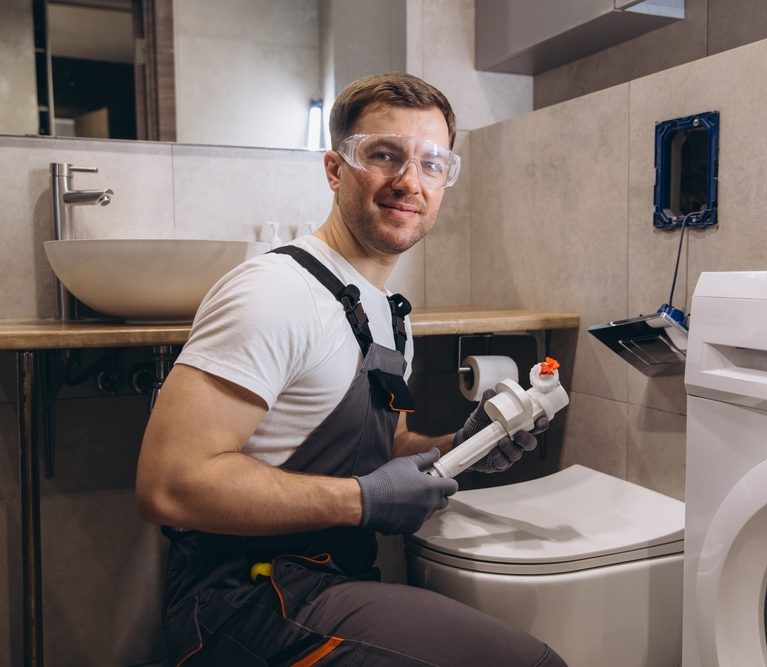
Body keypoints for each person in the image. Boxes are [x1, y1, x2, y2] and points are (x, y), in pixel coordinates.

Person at [136, 72, 567, 667]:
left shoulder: (386, 312)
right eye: (384, 155)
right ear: (336, 169)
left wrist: (457, 447)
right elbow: (169, 485)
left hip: (330, 578)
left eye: (432, 164)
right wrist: (363, 501)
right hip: (242, 598)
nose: (409, 182)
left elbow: (379, 447)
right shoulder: (274, 292)